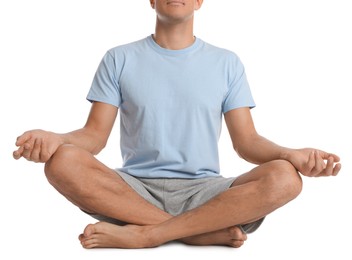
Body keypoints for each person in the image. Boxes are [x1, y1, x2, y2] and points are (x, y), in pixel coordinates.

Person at [13, 0, 341, 249]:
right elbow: (93, 137)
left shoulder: (226, 63)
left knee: (286, 177)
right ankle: (199, 232)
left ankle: (150, 234)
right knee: (63, 162)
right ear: (151, 0)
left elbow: (247, 143)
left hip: (208, 193)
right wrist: (54, 139)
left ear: (200, 1)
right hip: (132, 191)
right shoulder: (119, 58)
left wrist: (292, 154)